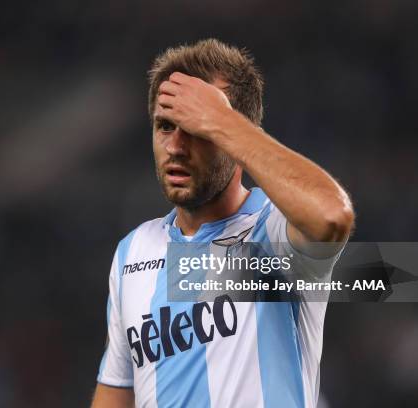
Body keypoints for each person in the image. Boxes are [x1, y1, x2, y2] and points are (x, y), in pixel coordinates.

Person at [91, 38, 354, 408]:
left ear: (232, 134)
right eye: (165, 126)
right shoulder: (132, 252)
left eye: (196, 128)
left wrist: (222, 120)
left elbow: (331, 217)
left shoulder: (275, 231)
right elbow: (116, 394)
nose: (176, 147)